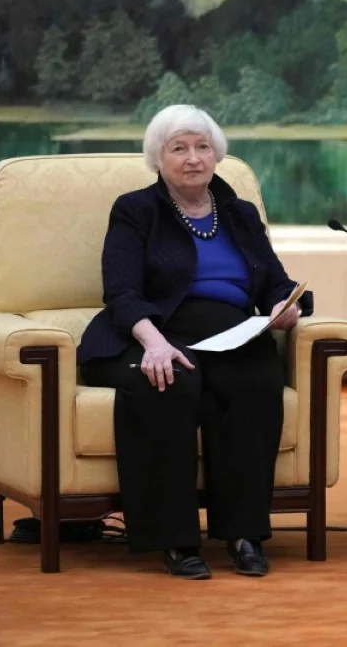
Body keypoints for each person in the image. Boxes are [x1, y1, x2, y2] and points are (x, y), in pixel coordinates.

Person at [77, 104, 302, 579]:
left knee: (257, 381)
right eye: (179, 148)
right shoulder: (136, 210)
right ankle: (175, 539)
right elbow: (121, 291)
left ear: (217, 155)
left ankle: (244, 534)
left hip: (229, 334)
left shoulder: (239, 213)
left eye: (203, 147)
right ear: (158, 159)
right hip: (154, 330)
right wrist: (154, 343)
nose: (193, 157)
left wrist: (284, 307)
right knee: (168, 382)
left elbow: (276, 283)